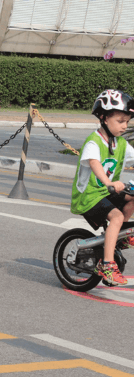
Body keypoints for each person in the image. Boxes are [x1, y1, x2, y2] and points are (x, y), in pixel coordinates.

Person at [71, 89, 134, 286]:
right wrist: (109, 182)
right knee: (115, 216)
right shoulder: (94, 141)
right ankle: (107, 264)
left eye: (127, 121)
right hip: (89, 196)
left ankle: (119, 235)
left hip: (107, 193)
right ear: (104, 118)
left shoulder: (121, 143)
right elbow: (94, 163)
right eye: (120, 121)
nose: (125, 126)